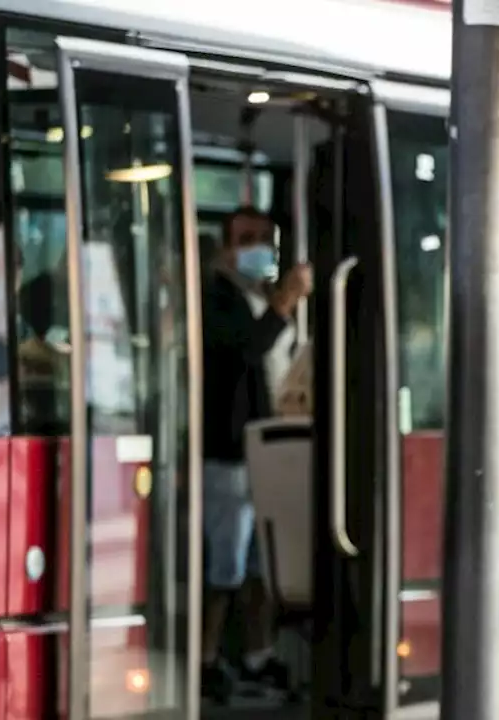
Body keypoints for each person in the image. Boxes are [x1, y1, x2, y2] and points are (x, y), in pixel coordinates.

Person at [200, 206, 310, 702]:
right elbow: (243, 349)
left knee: (257, 566)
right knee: (224, 567)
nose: (258, 247)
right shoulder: (215, 297)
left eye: (265, 238)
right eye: (246, 238)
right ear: (226, 245)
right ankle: (205, 659)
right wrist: (284, 302)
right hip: (225, 451)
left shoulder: (253, 295)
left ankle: (256, 656)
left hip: (262, 447)